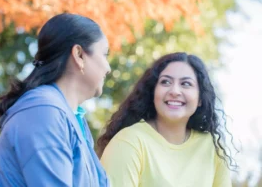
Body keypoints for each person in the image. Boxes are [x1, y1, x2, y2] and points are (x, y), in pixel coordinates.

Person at [0, 13, 111, 187]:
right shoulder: (42, 112)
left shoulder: (71, 118)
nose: (108, 68)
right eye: (104, 55)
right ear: (79, 55)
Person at [98, 52, 235, 187]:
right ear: (153, 92)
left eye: (186, 84)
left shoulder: (212, 148)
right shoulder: (129, 141)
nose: (174, 91)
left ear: (200, 99)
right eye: (166, 82)